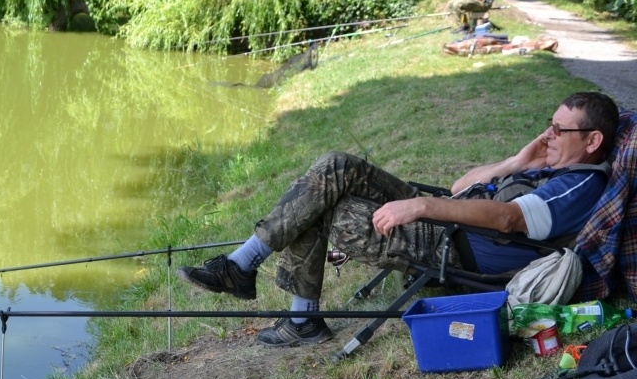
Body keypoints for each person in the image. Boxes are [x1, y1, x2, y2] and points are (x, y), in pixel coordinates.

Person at [177, 92, 620, 347]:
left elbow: (506, 219)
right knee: (335, 166)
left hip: (452, 246)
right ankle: (243, 266)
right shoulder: (550, 165)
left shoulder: (580, 186)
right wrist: (514, 162)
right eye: (549, 125)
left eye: (560, 130)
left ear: (593, 139)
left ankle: (298, 316)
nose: (548, 135)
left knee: (326, 209)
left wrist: (420, 207)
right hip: (448, 221)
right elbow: (461, 185)